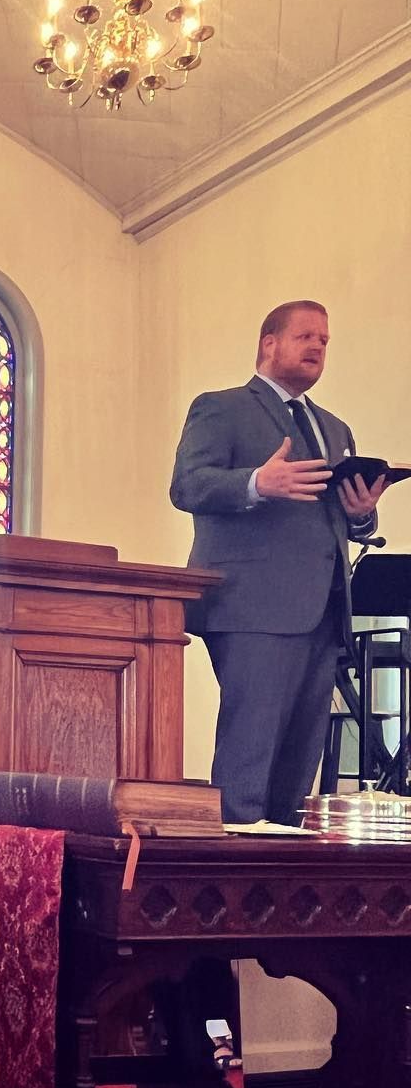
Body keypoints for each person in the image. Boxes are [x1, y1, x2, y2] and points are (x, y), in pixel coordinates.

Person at [170, 299, 385, 825]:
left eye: (325, 341)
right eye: (306, 336)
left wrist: (361, 516)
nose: (317, 347)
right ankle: (231, 871)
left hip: (325, 605)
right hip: (252, 606)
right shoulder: (221, 408)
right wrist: (255, 482)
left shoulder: (336, 429)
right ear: (270, 343)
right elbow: (187, 485)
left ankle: (281, 872)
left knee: (298, 760)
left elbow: (341, 521)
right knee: (252, 744)